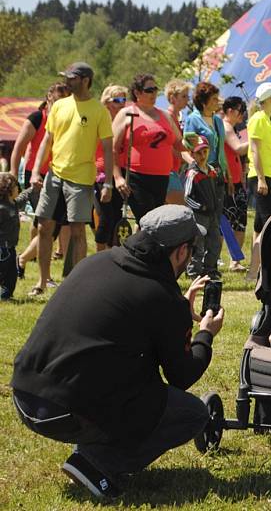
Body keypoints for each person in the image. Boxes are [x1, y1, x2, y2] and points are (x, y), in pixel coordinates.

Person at [11, 205, 223, 500]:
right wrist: (205, 335)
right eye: (191, 250)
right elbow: (182, 376)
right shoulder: (161, 296)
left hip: (24, 396)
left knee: (129, 377)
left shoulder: (95, 262)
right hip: (65, 411)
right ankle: (98, 463)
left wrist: (177, 315)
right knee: (191, 414)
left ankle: (91, 446)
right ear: (180, 252)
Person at [29, 62, 113, 296]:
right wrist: (37, 171)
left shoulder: (99, 110)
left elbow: (107, 148)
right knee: (44, 228)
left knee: (77, 231)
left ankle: (76, 285)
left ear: (85, 80)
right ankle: (42, 281)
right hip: (54, 175)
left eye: (72, 78)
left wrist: (107, 183)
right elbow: (47, 140)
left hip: (82, 180)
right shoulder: (59, 106)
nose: (67, 81)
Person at [9, 82, 70, 283]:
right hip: (36, 176)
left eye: (65, 99)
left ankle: (24, 259)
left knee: (47, 224)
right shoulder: (38, 118)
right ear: (49, 98)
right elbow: (18, 148)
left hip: (58, 174)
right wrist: (12, 175)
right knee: (48, 225)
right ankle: (32, 264)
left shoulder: (67, 119)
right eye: (57, 99)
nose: (60, 103)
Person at [112, 74, 183, 222]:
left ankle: (145, 245)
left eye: (155, 89)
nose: (154, 93)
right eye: (149, 90)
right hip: (137, 178)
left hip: (163, 178)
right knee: (149, 221)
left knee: (155, 223)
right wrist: (118, 177)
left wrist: (194, 143)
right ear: (137, 93)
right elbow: (113, 148)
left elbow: (178, 143)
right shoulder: (127, 113)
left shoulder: (164, 115)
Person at [184, 82, 231, 223]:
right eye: (214, 99)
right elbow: (186, 148)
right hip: (202, 175)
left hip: (218, 172)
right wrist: (197, 167)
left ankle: (213, 245)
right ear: (204, 102)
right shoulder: (193, 119)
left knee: (217, 217)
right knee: (202, 217)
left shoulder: (218, 120)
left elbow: (221, 148)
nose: (218, 101)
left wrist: (228, 172)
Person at [93, 85, 127, 251]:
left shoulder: (126, 121)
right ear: (107, 102)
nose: (122, 103)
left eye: (124, 100)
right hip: (101, 173)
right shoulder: (100, 120)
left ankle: (113, 253)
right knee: (106, 218)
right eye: (118, 100)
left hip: (120, 172)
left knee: (117, 218)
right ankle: (99, 256)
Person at [184, 135, 222, 279]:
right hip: (199, 215)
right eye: (199, 153)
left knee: (215, 243)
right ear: (192, 154)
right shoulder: (192, 173)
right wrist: (201, 207)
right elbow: (187, 197)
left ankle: (210, 269)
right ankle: (194, 271)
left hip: (212, 214)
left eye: (205, 152)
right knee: (198, 244)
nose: (202, 156)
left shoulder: (212, 171)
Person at [248, 82, 271, 235]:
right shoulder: (258, 119)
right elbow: (255, 150)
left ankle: (256, 259)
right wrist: (262, 179)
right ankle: (266, 258)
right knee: (269, 222)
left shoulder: (266, 120)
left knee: (260, 225)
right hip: (259, 176)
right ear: (270, 99)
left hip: (268, 176)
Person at [221, 96, 249, 271]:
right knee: (225, 222)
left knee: (239, 221)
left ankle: (235, 261)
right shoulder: (225, 127)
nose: (243, 115)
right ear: (230, 110)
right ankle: (217, 259)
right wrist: (256, 138)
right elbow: (238, 148)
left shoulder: (233, 127)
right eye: (241, 111)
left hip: (237, 181)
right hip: (227, 181)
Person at [0, 173, 34, 299]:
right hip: (2, 249)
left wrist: (32, 189)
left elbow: (22, 198)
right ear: (8, 190)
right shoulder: (2, 208)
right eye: (15, 187)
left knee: (11, 275)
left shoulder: (13, 203)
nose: (18, 189)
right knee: (2, 273)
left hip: (11, 249)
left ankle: (5, 296)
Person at [164, 79, 192, 204]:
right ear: (172, 98)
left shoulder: (176, 117)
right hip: (168, 171)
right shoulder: (167, 117)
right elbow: (170, 146)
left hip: (173, 169)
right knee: (182, 209)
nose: (187, 100)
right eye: (184, 96)